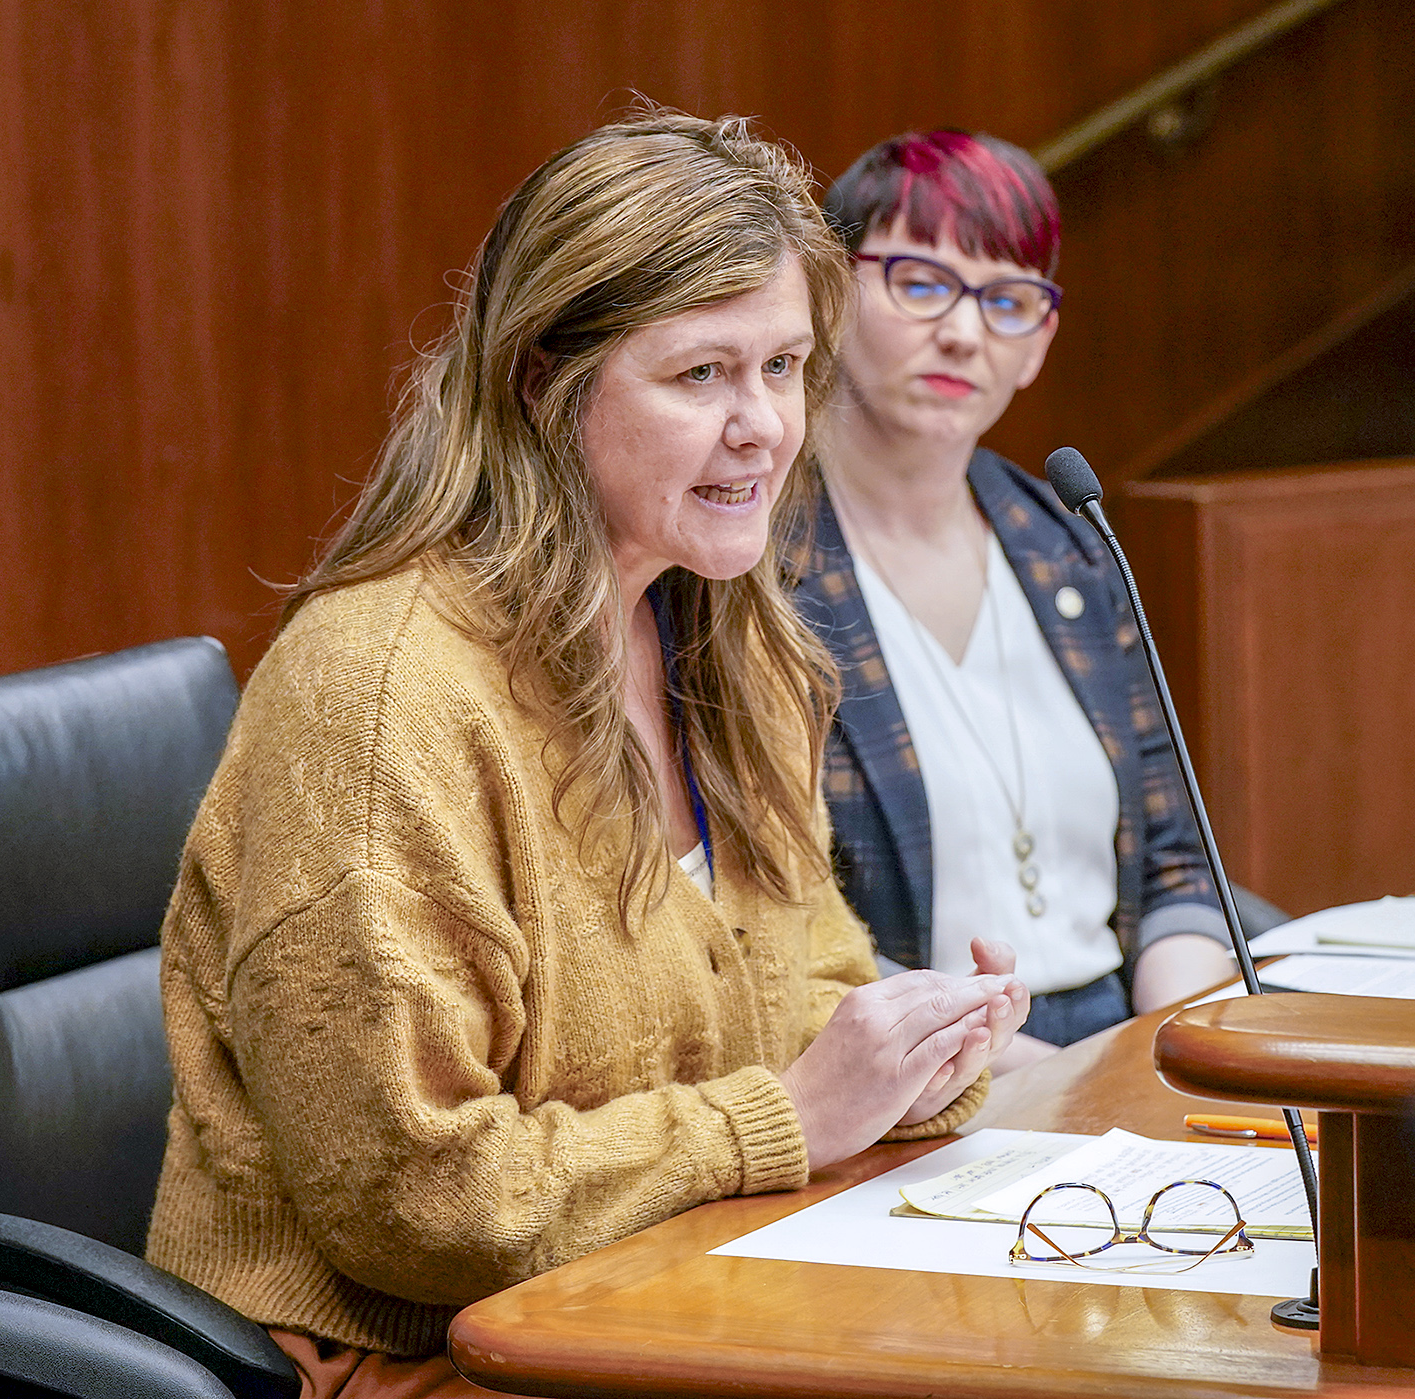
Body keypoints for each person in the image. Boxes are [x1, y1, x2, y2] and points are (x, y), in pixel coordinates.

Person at [145, 111, 1030, 1396]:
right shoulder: (380, 690)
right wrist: (782, 1117)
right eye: (702, 375)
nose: (766, 428)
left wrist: (904, 1053)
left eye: (784, 367)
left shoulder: (729, 641)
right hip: (399, 1360)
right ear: (542, 383)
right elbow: (416, 1193)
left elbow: (799, 989)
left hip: (670, 1295)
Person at [795, 130, 1236, 1066]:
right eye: (920, 282)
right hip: (901, 1073)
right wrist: (1052, 1082)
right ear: (828, 292)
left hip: (1122, 1038)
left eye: (1007, 300)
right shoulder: (754, 561)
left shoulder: (1068, 541)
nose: (964, 331)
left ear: (1038, 342)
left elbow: (1173, 861)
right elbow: (772, 931)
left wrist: (1173, 1056)